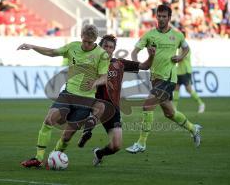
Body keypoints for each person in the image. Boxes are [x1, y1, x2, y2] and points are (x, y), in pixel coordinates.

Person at [54, 34, 155, 166]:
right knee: (68, 134)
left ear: (114, 49)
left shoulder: (119, 63)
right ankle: (84, 133)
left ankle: (99, 153)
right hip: (92, 104)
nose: (108, 49)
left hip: (113, 110)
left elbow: (145, 66)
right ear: (100, 47)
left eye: (111, 47)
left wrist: (152, 55)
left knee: (116, 145)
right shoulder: (91, 62)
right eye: (105, 46)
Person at [18, 24, 110, 168]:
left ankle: (54, 158)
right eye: (84, 41)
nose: (86, 45)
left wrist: (95, 82)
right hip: (67, 95)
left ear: (95, 41)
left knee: (66, 136)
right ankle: (38, 158)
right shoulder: (72, 47)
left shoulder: (101, 54)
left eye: (90, 42)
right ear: (81, 37)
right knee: (49, 120)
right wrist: (32, 46)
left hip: (86, 100)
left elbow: (105, 77)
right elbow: (52, 52)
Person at [125, 4, 202, 154]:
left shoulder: (177, 35)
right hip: (155, 78)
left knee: (148, 106)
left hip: (169, 79)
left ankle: (141, 143)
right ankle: (194, 129)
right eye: (159, 16)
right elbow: (135, 52)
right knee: (170, 113)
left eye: (164, 16)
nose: (161, 19)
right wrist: (136, 65)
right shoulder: (149, 35)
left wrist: (180, 56)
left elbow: (186, 48)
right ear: (156, 16)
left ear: (169, 18)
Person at [173, 46, 205, 113]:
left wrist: (173, 58)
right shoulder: (179, 48)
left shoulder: (186, 48)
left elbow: (181, 58)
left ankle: (201, 104)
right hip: (179, 71)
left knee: (188, 89)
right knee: (176, 88)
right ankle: (174, 108)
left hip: (186, 71)